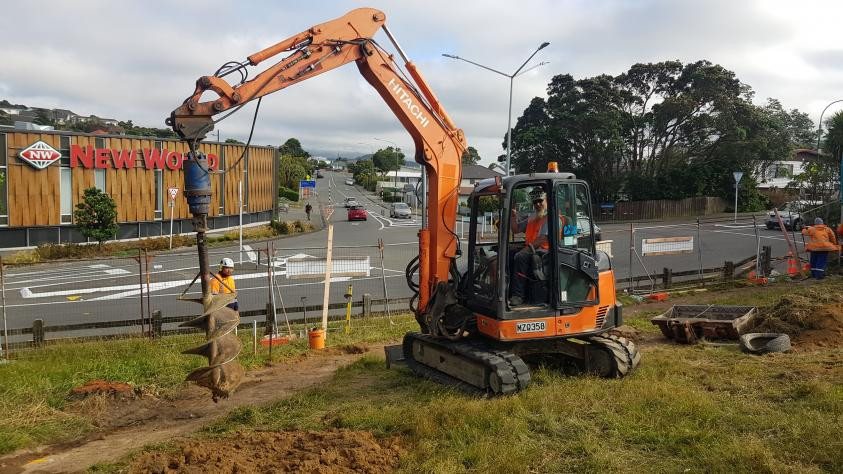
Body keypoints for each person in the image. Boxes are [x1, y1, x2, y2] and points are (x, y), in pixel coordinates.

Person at [509, 188, 568, 306]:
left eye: (540, 201)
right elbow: (515, 229)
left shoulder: (552, 218)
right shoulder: (533, 217)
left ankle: (518, 295)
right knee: (509, 254)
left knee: (521, 257)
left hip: (546, 253)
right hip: (533, 249)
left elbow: (543, 239)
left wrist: (525, 250)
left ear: (547, 200)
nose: (538, 204)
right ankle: (508, 290)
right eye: (535, 202)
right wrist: (513, 214)